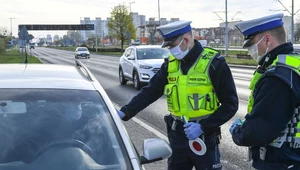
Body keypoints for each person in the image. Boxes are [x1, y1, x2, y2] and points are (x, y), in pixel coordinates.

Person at [117, 20, 238, 170]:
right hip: (177, 137)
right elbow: (150, 92)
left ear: (186, 40)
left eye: (172, 46)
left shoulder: (214, 63)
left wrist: (203, 126)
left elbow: (230, 105)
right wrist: (125, 112)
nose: (171, 50)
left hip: (205, 137)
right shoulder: (170, 64)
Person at [230, 13, 300, 170]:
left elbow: (259, 131)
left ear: (267, 39)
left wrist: (238, 132)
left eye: (251, 44)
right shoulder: (294, 64)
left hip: (280, 162)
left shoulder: (277, 78)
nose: (250, 50)